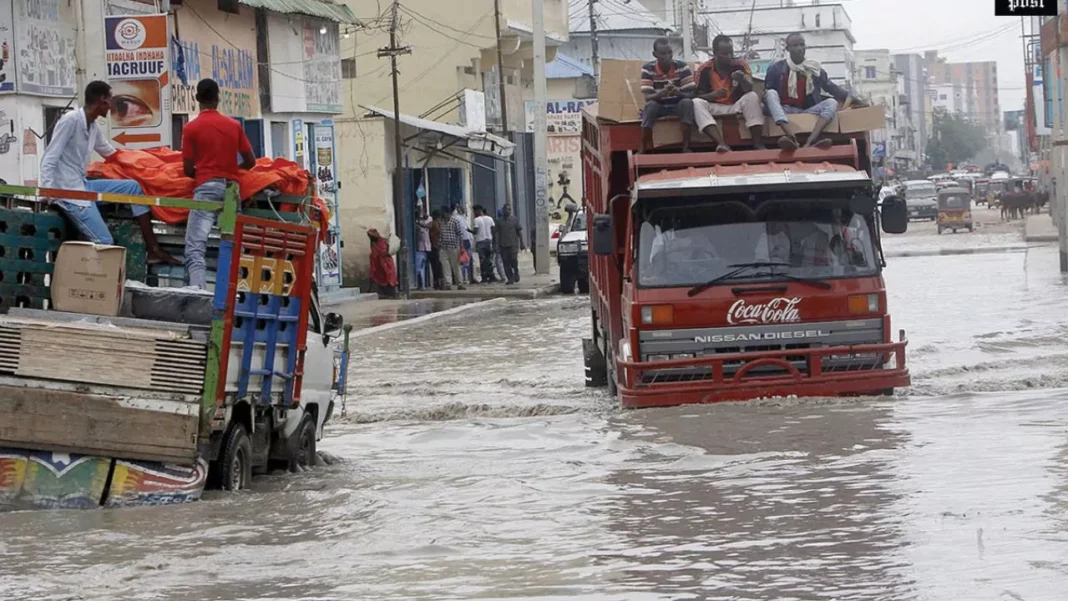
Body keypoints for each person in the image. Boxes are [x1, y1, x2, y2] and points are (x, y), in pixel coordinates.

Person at [39, 80, 176, 264]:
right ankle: (93, 284)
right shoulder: (70, 120)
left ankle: (153, 249)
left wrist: (148, 164)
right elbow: (50, 157)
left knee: (133, 187)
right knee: (104, 242)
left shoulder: (92, 126)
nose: (112, 105)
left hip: (84, 185)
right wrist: (47, 191)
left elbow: (111, 153)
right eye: (110, 100)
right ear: (101, 100)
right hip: (69, 192)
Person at [180, 78, 256, 289]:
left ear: (196, 99)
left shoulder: (191, 128)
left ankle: (200, 293)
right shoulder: (234, 126)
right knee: (233, 247)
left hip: (206, 189)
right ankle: (235, 294)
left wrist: (205, 171)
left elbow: (187, 169)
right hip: (232, 191)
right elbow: (251, 162)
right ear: (218, 98)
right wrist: (231, 171)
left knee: (196, 247)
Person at [763, 33, 864, 150]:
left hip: (806, 111)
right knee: (770, 94)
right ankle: (791, 136)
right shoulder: (776, 68)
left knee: (831, 103)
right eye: (795, 45)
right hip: (783, 110)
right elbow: (767, 93)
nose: (800, 48)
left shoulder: (813, 68)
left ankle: (811, 140)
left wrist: (855, 100)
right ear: (787, 49)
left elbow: (831, 87)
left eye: (802, 45)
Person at [692, 35, 766, 152]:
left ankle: (757, 143)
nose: (729, 56)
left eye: (731, 53)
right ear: (715, 53)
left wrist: (742, 79)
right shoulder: (704, 69)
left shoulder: (740, 64)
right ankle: (721, 143)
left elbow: (749, 88)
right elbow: (696, 95)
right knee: (696, 103)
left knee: (752, 97)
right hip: (715, 106)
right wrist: (713, 95)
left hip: (736, 105)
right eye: (724, 54)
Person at [639, 37, 697, 153]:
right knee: (650, 106)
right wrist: (661, 93)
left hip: (677, 104)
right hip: (659, 106)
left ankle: (686, 146)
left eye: (670, 52)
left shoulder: (682, 67)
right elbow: (647, 97)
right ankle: (642, 146)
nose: (668, 56)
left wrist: (677, 92)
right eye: (663, 53)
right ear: (655, 54)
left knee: (687, 103)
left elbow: (691, 94)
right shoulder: (648, 69)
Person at [495, 203, 524, 285]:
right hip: (503, 245)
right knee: (505, 262)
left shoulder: (515, 220)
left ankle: (516, 271)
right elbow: (497, 233)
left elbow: (519, 232)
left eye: (509, 209)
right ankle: (510, 278)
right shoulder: (499, 221)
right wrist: (497, 245)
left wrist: (522, 243)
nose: (507, 211)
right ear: (503, 210)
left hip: (513, 244)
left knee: (513, 260)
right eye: (506, 209)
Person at [439, 205, 465, 290]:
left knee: (456, 266)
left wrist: (461, 247)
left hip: (454, 247)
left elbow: (460, 235)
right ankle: (448, 283)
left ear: (448, 213)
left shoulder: (455, 221)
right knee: (445, 266)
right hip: (443, 247)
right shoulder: (441, 221)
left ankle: (460, 283)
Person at [367, 228, 398, 297]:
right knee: (378, 278)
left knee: (389, 279)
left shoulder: (381, 242)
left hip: (386, 264)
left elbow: (383, 252)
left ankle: (391, 294)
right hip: (378, 264)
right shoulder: (373, 242)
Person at [472, 205, 497, 284]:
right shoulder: (490, 219)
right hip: (489, 241)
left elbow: (475, 231)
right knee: (489, 260)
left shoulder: (476, 220)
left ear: (477, 211)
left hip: (480, 242)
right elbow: (493, 230)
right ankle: (492, 276)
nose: (473, 213)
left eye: (474, 211)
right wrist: (494, 242)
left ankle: (484, 277)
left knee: (482, 261)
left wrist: (469, 230)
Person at [453, 204, 475, 284]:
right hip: (462, 240)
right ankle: (462, 278)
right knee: (463, 260)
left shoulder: (462, 218)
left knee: (466, 259)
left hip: (465, 240)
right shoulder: (456, 218)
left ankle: (467, 278)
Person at [415, 208, 433, 289]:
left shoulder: (427, 221)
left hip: (427, 248)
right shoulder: (416, 224)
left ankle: (424, 284)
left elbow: (429, 225)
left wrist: (420, 223)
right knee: (419, 267)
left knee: (424, 267)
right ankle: (421, 285)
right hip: (420, 248)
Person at [428, 209, 444, 289]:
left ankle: (437, 283)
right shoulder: (438, 223)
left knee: (436, 266)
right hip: (436, 247)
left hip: (434, 247)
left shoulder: (434, 223)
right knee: (438, 266)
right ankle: (438, 283)